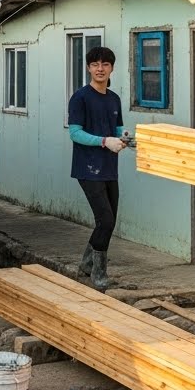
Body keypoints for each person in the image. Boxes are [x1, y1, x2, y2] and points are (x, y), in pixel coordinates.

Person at [67, 46, 127, 291]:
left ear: (112, 68)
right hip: (87, 167)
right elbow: (75, 133)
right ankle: (98, 273)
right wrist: (104, 141)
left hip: (109, 167)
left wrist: (124, 138)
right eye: (95, 64)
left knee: (109, 221)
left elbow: (118, 129)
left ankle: (86, 264)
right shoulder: (80, 98)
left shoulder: (114, 99)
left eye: (105, 64)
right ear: (88, 68)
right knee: (105, 220)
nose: (100, 69)